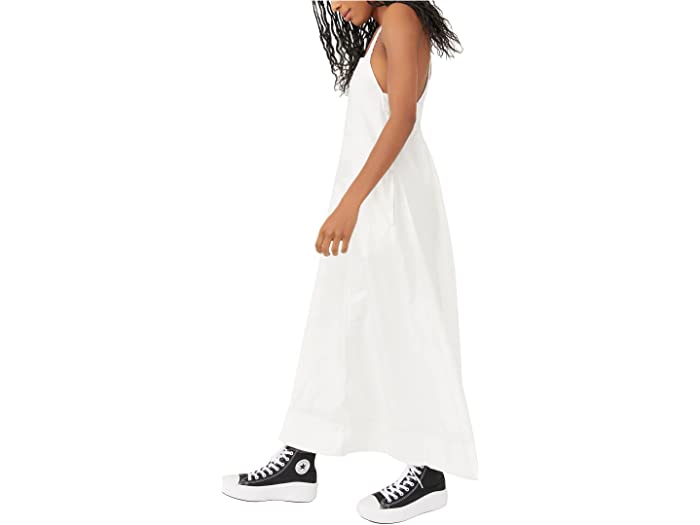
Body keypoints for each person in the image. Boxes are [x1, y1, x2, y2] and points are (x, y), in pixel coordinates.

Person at [223, 2, 478, 522]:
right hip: (373, 205)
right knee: (336, 325)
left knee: (407, 327)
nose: (336, 5)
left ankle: (429, 470)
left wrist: (350, 203)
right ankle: (301, 457)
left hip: (387, 207)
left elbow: (401, 118)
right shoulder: (386, 28)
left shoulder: (401, 17)